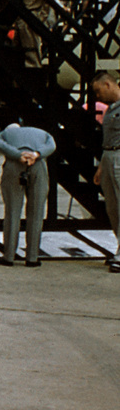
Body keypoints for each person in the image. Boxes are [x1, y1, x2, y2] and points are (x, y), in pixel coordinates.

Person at [0, 123, 55, 267]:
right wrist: (36, 154)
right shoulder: (42, 132)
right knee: (36, 212)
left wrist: (17, 154)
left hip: (14, 165)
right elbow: (52, 145)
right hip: (38, 164)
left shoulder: (6, 133)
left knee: (12, 212)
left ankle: (9, 256)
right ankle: (32, 258)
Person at [92, 72, 120, 273]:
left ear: (108, 84)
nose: (97, 96)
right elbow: (108, 141)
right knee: (112, 207)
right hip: (109, 156)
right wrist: (102, 166)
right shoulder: (111, 110)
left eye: (98, 90)